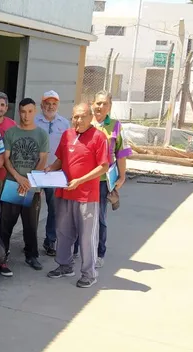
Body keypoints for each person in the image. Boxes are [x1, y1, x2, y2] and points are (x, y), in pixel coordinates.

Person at [45, 103, 109, 288]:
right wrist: (50, 168)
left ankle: (89, 274)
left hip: (86, 196)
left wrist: (80, 181)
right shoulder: (67, 134)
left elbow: (103, 166)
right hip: (64, 192)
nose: (78, 120)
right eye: (75, 117)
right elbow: (61, 159)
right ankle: (64, 266)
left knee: (87, 237)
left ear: (90, 117)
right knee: (63, 232)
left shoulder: (98, 137)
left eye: (82, 116)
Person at [73, 90, 131, 268]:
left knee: (99, 218)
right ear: (92, 104)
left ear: (110, 107)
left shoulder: (115, 126)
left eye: (105, 103)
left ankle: (99, 253)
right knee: (78, 215)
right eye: (98, 103)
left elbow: (121, 153)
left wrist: (122, 176)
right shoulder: (85, 122)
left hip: (102, 181)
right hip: (82, 179)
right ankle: (75, 250)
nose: (101, 106)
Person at [0, 98, 50, 276]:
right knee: (6, 223)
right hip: (12, 183)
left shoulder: (42, 134)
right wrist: (18, 178)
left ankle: (31, 255)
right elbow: (6, 159)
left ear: (35, 112)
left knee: (30, 223)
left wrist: (29, 180)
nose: (26, 115)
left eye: (29, 111)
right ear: (18, 112)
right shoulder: (11, 132)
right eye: (22, 112)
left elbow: (43, 159)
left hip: (31, 186)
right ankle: (2, 254)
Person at [35, 90, 71, 256]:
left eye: (54, 104)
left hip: (54, 172)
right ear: (42, 105)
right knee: (31, 209)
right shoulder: (34, 121)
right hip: (35, 171)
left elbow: (67, 149)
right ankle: (30, 243)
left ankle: (50, 241)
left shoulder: (65, 124)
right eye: (47, 103)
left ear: (58, 105)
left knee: (54, 209)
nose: (50, 107)